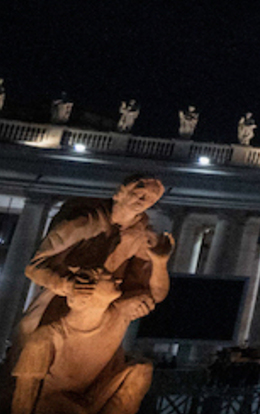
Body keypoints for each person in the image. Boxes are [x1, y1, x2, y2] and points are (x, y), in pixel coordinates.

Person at [19, 174, 171, 342]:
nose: (143, 200)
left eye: (151, 198)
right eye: (139, 193)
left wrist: (159, 263)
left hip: (106, 314)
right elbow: (34, 267)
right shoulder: (82, 223)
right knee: (37, 345)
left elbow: (154, 294)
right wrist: (67, 285)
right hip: (63, 304)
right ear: (120, 193)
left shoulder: (143, 237)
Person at [10, 264, 169, 414]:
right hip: (54, 404)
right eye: (108, 278)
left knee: (142, 370)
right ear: (88, 289)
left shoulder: (118, 313)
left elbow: (155, 295)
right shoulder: (46, 337)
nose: (118, 281)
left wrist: (159, 262)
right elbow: (24, 394)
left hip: (90, 396)